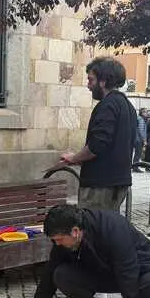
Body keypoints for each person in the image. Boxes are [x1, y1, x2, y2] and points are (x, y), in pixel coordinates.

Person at [53, 57, 136, 211]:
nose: (88, 85)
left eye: (91, 80)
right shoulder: (127, 106)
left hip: (100, 184)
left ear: (103, 81)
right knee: (106, 223)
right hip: (118, 181)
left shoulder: (107, 105)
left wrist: (73, 158)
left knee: (92, 224)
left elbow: (97, 145)